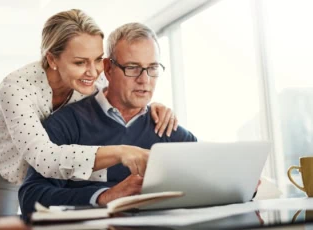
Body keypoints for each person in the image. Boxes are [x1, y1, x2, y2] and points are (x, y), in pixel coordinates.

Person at [0, 9, 178, 216]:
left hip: (56, 171)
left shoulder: (95, 77)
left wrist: (152, 107)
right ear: (52, 59)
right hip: (4, 169)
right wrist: (121, 151)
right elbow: (44, 159)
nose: (93, 71)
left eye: (97, 59)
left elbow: (126, 89)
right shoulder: (16, 88)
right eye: (80, 62)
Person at [18, 22, 197, 216]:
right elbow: (30, 198)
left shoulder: (171, 131)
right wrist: (104, 197)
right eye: (132, 67)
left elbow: (208, 185)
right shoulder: (65, 124)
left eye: (152, 68)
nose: (144, 80)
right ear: (108, 69)